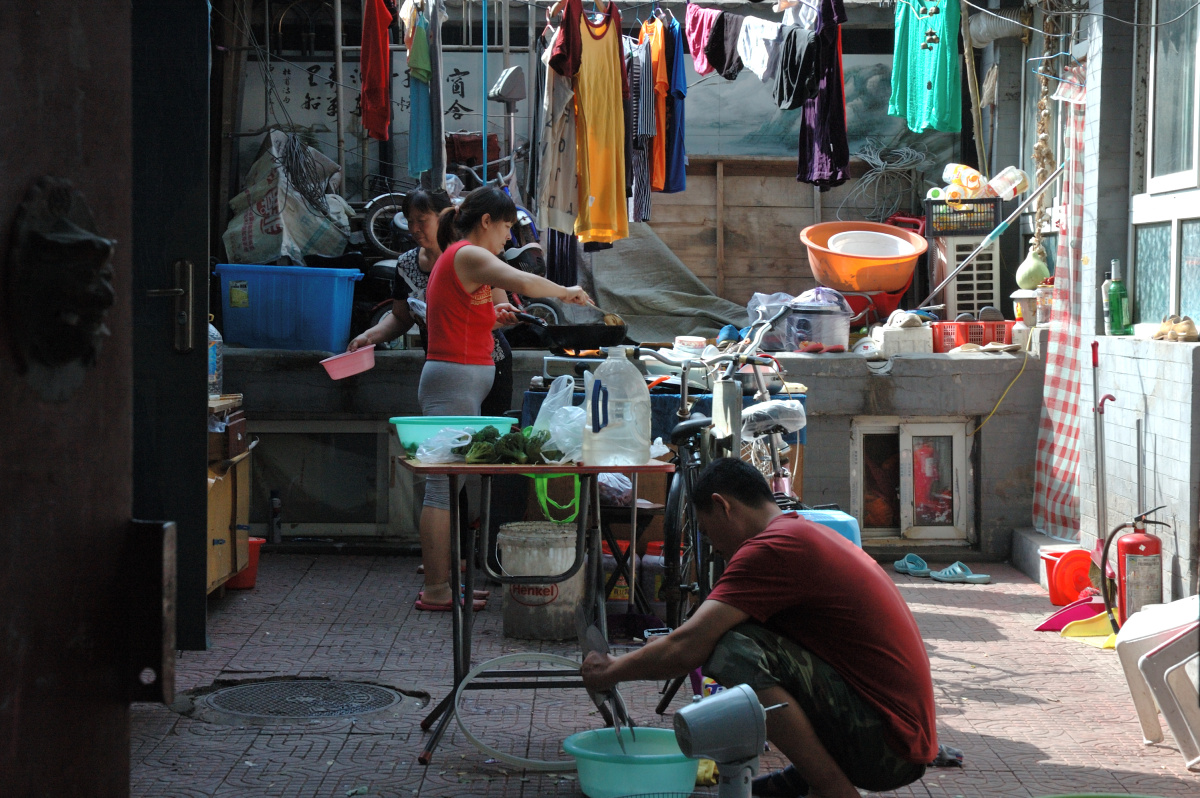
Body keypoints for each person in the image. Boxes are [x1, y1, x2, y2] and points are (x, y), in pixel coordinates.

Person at [582, 458, 936, 798]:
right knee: (747, 636)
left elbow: (686, 647)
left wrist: (611, 670)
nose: (714, 548)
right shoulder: (798, 531)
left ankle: (831, 789)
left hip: (889, 746)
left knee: (734, 650)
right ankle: (807, 777)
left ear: (723, 506)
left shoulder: (773, 548)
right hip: (899, 736)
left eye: (706, 532)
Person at [404, 186, 589, 610]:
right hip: (451, 383)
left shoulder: (462, 260)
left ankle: (447, 585)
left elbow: (465, 319)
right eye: (507, 227)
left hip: (459, 381)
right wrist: (565, 291)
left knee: (451, 487)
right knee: (442, 490)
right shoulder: (466, 254)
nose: (509, 237)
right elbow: (521, 279)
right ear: (486, 221)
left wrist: (494, 320)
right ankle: (437, 591)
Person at [349, 190, 513, 416]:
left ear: (443, 217)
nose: (414, 228)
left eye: (422, 221)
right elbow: (400, 317)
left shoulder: (473, 257)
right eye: (410, 221)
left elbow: (500, 310)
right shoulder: (406, 264)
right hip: (444, 368)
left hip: (488, 364)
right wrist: (369, 337)